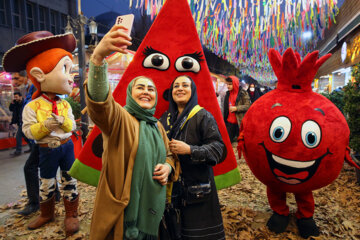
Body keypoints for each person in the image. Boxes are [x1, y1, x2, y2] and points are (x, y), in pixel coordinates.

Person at [85, 24, 179, 239]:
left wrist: (167, 167)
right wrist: (98, 58)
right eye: (140, 87)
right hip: (123, 212)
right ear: (129, 93)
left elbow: (169, 155)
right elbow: (100, 103)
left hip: (154, 211)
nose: (146, 92)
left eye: (151, 89)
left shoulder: (157, 126)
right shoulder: (119, 119)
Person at [3, 30, 80, 237]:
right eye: (66, 69)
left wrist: (64, 123)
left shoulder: (64, 104)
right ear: (39, 75)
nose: (71, 78)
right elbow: (29, 132)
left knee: (69, 179)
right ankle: (47, 213)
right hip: (47, 149)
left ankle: (71, 214)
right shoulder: (32, 106)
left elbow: (72, 125)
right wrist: (45, 125)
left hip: (67, 147)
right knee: (46, 181)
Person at [160, 75, 226, 240]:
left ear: (193, 91)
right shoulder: (164, 119)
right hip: (171, 187)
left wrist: (190, 150)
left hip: (198, 188)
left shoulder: (203, 116)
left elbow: (218, 150)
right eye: (176, 86)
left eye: (185, 85)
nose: (180, 89)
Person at [223, 76, 250, 142]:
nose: (228, 86)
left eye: (230, 84)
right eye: (227, 84)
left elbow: (248, 106)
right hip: (229, 122)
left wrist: (236, 108)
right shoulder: (227, 93)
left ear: (235, 83)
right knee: (227, 142)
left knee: (241, 142)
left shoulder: (243, 93)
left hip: (239, 122)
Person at [9, 91, 30, 156]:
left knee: (18, 136)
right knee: (26, 137)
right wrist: (12, 103)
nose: (15, 98)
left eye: (16, 97)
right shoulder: (15, 103)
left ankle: (18, 151)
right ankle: (33, 147)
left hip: (24, 122)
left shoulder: (25, 103)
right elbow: (11, 109)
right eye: (14, 97)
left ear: (20, 97)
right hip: (19, 122)